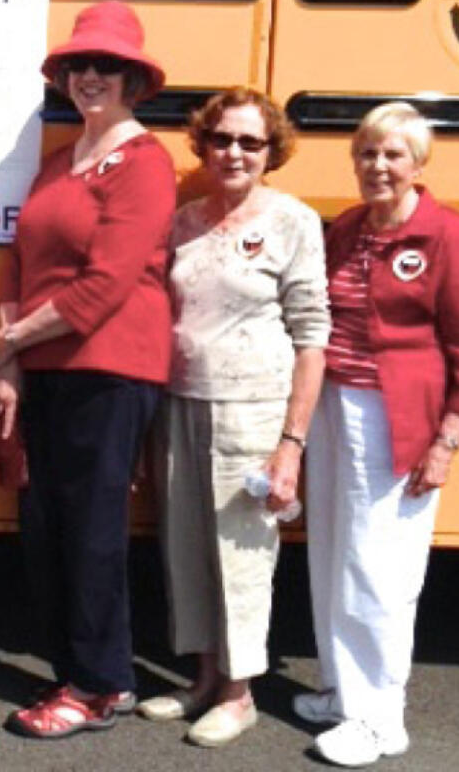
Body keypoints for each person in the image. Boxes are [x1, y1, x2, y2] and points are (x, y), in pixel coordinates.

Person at [0, 0, 175, 738]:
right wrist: (11, 363)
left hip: (112, 369)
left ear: (134, 80)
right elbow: (19, 264)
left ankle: (100, 684)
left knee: (92, 530)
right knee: (47, 523)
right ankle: (74, 672)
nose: (91, 76)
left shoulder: (146, 166)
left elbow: (105, 285)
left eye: (107, 66)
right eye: (79, 65)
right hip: (48, 367)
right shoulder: (61, 162)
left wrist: (10, 345)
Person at [297, 102, 459, 767]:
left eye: (393, 154)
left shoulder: (446, 235)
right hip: (333, 404)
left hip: (397, 416)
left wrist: (445, 443)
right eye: (367, 152)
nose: (378, 166)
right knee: (330, 552)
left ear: (418, 163)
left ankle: (382, 717)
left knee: (377, 567)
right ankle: (342, 690)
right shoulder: (351, 227)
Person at [136, 89, 329, 746]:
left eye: (251, 142)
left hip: (253, 411)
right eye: (222, 139)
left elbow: (312, 336)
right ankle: (202, 677)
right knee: (185, 549)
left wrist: (291, 446)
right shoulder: (184, 221)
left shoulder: (292, 221)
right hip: (179, 402)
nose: (235, 153)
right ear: (203, 144)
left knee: (242, 556)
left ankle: (241, 692)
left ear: (272, 151)